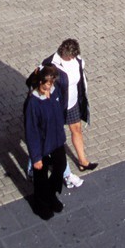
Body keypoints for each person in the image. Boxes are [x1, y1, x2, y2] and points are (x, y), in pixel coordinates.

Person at [23, 64, 67, 220]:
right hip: (41, 144)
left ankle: (50, 194)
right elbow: (31, 131)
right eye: (45, 86)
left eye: (51, 84)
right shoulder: (33, 103)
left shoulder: (55, 90)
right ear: (39, 82)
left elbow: (61, 106)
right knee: (40, 176)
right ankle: (40, 204)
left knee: (60, 166)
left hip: (56, 139)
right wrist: (36, 157)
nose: (48, 89)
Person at [49, 38, 96, 171]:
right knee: (54, 135)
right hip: (57, 106)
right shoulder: (51, 64)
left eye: (74, 56)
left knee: (77, 129)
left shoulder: (78, 60)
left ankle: (83, 161)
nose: (72, 58)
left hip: (72, 102)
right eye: (70, 56)